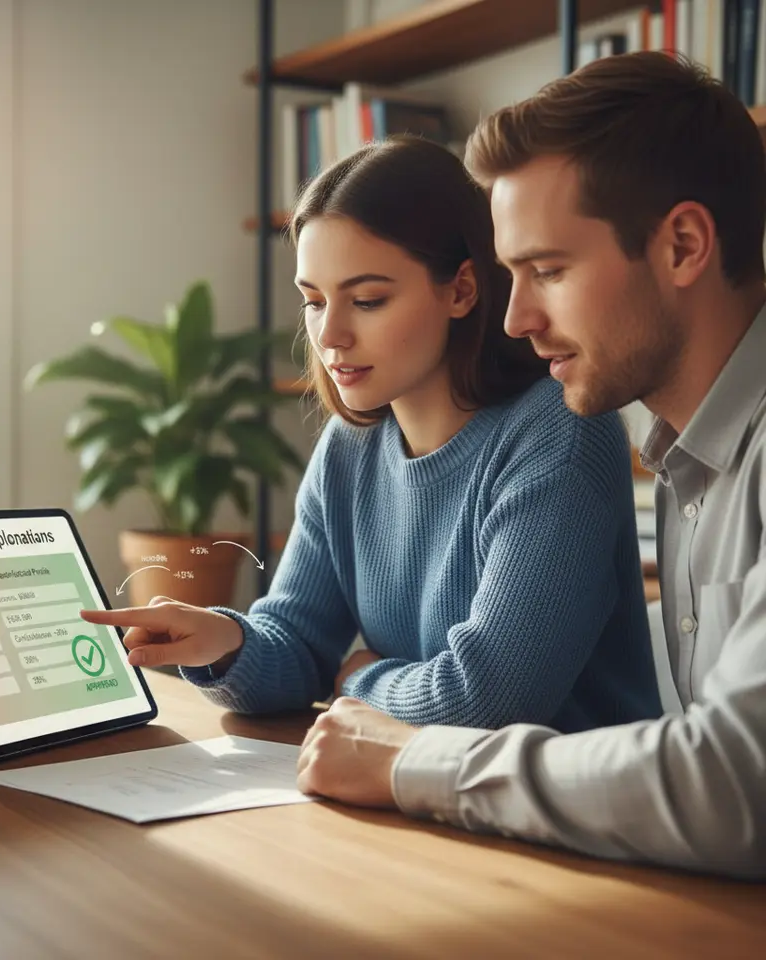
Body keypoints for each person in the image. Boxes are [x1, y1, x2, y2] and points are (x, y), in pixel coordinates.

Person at [294, 51, 766, 880]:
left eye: (547, 270)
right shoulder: (691, 465)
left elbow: (735, 782)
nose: (513, 318)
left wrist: (409, 758)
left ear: (684, 245)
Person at [82, 135, 661, 735]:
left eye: (366, 300)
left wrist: (359, 681)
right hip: (420, 792)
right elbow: (299, 645)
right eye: (313, 301)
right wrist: (223, 642)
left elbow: (487, 701)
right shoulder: (350, 447)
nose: (329, 334)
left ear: (462, 289)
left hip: (559, 813)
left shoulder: (559, 437)